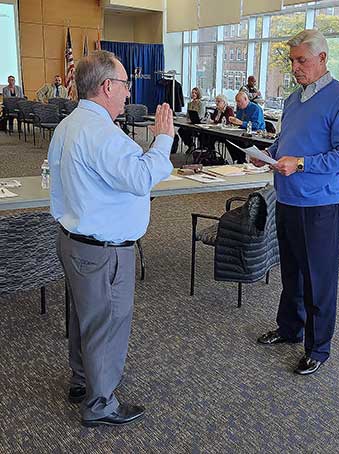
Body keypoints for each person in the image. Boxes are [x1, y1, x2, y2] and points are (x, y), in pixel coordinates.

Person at [48, 50, 174, 427]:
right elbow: (139, 178)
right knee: (108, 322)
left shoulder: (69, 125)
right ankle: (100, 403)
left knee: (84, 317)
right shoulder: (102, 133)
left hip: (74, 241)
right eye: (124, 85)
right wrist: (164, 140)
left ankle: (83, 380)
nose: (127, 92)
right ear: (106, 87)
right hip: (103, 251)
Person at [253, 29, 339, 375]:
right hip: (287, 199)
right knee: (292, 273)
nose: (295, 67)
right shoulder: (293, 100)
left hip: (319, 205)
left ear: (322, 59)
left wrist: (301, 163)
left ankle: (318, 347)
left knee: (319, 278)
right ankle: (290, 329)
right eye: (292, 60)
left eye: (301, 60)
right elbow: (286, 142)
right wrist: (267, 155)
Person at [226, 91, 265, 163]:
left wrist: (241, 123)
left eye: (239, 101)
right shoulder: (240, 109)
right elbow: (238, 122)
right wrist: (234, 121)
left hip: (256, 134)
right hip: (243, 133)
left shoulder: (256, 108)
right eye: (237, 102)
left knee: (240, 142)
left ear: (246, 99)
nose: (238, 104)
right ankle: (238, 160)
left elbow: (256, 125)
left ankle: (241, 161)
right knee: (229, 139)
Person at [177, 87, 206, 153]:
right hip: (190, 123)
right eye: (192, 93)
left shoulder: (201, 104)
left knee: (188, 131)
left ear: (198, 94)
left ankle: (193, 146)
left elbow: (201, 116)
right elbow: (188, 115)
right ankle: (190, 145)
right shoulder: (190, 104)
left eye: (195, 93)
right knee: (181, 130)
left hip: (198, 124)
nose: (193, 94)